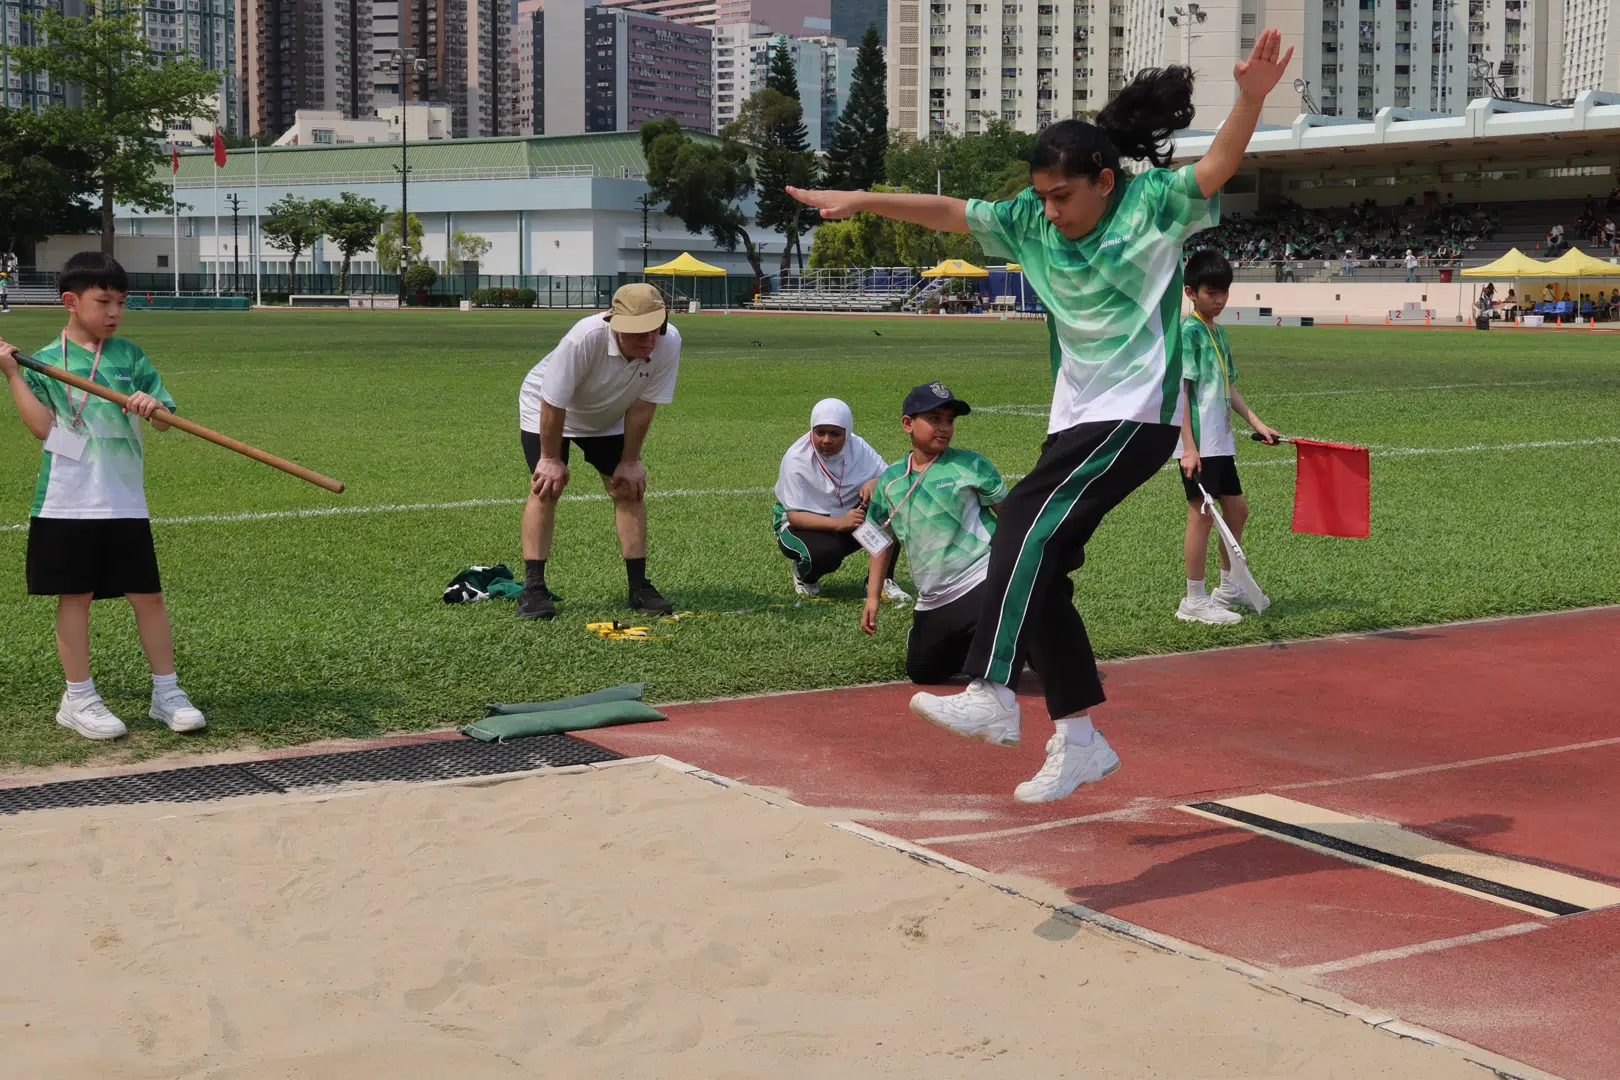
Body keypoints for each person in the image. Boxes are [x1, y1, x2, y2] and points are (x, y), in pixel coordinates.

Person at [787, 32, 1294, 803]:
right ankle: (1079, 740)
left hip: (1136, 417)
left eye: (1063, 197)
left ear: (1103, 181)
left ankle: (992, 691)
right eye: (1043, 197)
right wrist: (863, 198)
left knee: (1019, 520)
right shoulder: (1030, 220)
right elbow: (950, 212)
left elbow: (1218, 166)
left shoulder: (1152, 206)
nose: (1050, 212)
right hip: (1074, 421)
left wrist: (1251, 98)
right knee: (1042, 570)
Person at [0, 252, 205, 740]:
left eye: (121, 303)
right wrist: (12, 374)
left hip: (123, 500)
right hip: (66, 500)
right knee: (75, 596)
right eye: (103, 302)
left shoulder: (129, 356)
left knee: (148, 596)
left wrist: (152, 405)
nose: (114, 312)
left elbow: (165, 419)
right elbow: (43, 429)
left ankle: (167, 693)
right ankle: (78, 698)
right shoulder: (45, 362)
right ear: (71, 301)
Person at [517, 283, 679, 620]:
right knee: (546, 487)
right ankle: (533, 589)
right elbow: (553, 401)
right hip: (547, 407)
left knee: (628, 488)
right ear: (615, 324)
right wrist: (550, 459)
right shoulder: (585, 337)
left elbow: (643, 406)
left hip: (607, 414)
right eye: (638, 333)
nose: (649, 340)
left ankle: (639, 587)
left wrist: (630, 461)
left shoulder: (669, 342)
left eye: (655, 330)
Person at [862, 382, 1007, 687]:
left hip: (982, 577)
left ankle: (1026, 634)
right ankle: (971, 641)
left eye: (950, 420)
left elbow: (1010, 516)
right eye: (934, 419)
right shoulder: (890, 481)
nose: (944, 428)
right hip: (934, 596)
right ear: (907, 424)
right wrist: (872, 597)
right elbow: (879, 541)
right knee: (923, 673)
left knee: (995, 665)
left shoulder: (972, 465)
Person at [1174, 250, 1279, 627]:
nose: (1219, 300)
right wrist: (1188, 447)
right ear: (1191, 292)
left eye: (1224, 292)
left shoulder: (1217, 331)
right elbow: (1180, 392)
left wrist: (1256, 421)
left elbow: (1227, 386)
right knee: (1202, 516)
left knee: (1237, 510)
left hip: (1221, 440)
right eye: (1211, 292)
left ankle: (1229, 588)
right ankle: (1193, 599)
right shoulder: (1188, 332)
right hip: (1199, 443)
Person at [772, 397, 909, 603]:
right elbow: (795, 517)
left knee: (890, 504)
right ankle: (804, 575)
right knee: (826, 554)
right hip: (800, 525)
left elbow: (890, 478)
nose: (826, 440)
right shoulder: (795, 458)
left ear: (847, 432)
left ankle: (880, 580)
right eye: (820, 432)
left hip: (848, 518)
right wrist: (840, 523)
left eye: (835, 434)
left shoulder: (858, 446)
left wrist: (875, 482)